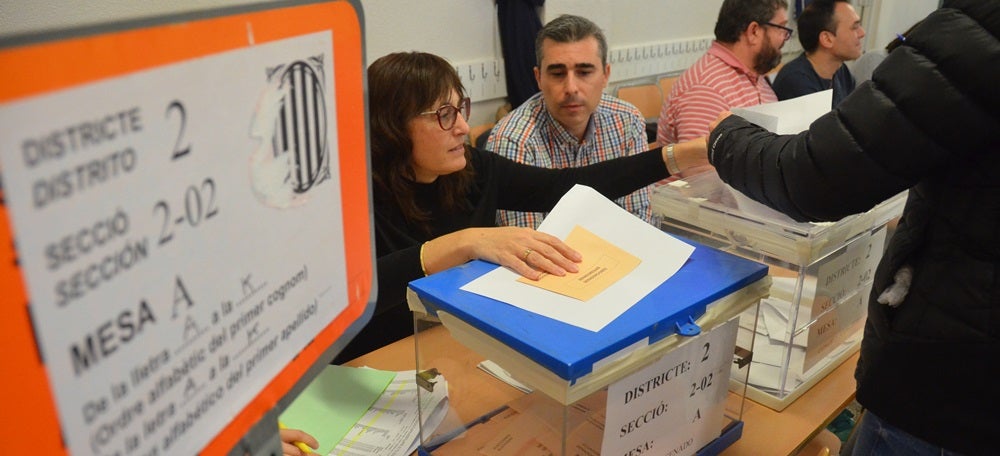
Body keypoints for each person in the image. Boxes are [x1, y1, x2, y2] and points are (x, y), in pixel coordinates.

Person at [705, 1, 998, 454]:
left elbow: (820, 176)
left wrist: (725, 134)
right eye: (854, 24)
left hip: (949, 381)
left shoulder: (977, 33)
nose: (864, 34)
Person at [332, 51, 707, 363]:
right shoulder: (348, 199)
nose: (463, 126)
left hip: (457, 347)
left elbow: (564, 188)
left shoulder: (472, 168)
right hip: (375, 364)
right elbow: (352, 292)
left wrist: (681, 155)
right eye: (444, 114)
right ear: (391, 128)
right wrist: (466, 241)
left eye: (460, 108)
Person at [487, 14, 653, 228]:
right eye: (557, 74)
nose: (571, 88)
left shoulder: (627, 121)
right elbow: (530, 246)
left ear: (605, 75)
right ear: (538, 78)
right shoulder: (512, 140)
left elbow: (638, 221)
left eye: (584, 72)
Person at [655, 0, 790, 148]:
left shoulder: (754, 76)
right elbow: (701, 169)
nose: (785, 37)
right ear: (754, 31)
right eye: (781, 28)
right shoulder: (705, 89)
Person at [772, 0, 865, 107]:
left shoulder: (842, 72)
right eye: (854, 27)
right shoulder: (796, 81)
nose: (862, 33)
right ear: (827, 39)